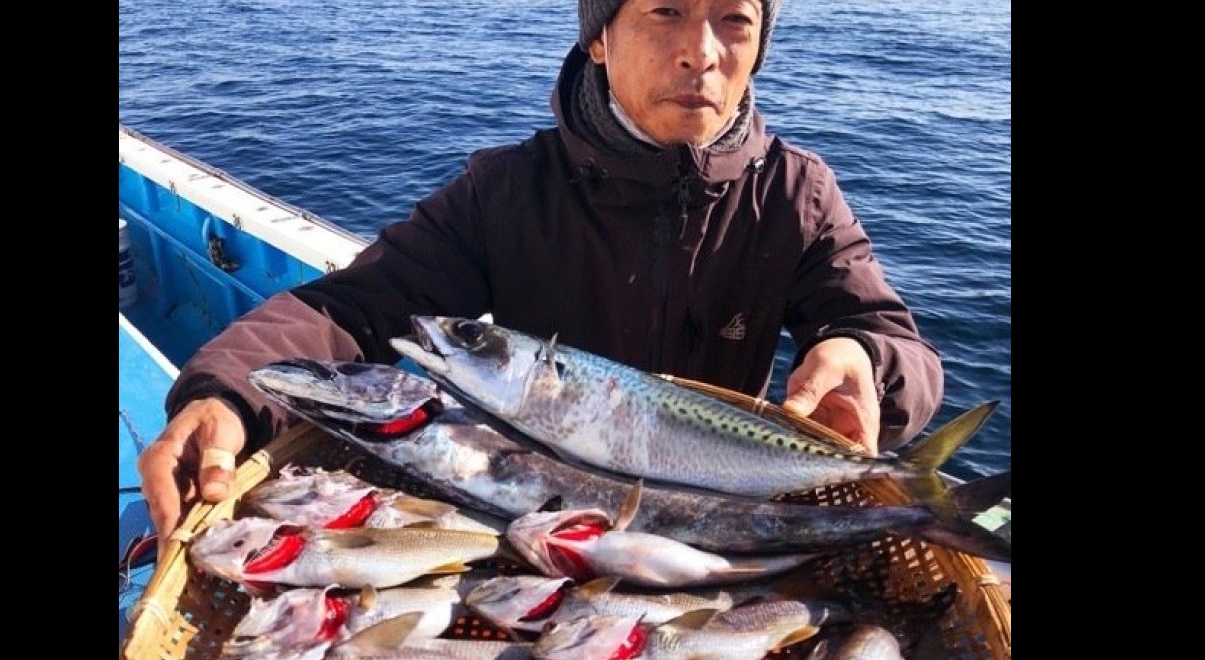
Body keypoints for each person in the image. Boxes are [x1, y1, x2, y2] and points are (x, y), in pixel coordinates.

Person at [138, 0, 944, 557]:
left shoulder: (795, 194)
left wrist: (863, 361)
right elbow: (353, 307)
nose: (703, 50)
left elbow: (890, 340)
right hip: (535, 516)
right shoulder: (505, 190)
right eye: (665, 11)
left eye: (735, 19)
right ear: (599, 36)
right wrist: (233, 389)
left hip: (724, 512)